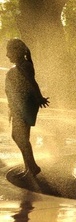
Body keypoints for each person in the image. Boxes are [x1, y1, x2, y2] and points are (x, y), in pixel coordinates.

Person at [4, 38, 49, 178]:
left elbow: (32, 82)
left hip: (24, 105)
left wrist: (39, 97)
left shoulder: (25, 66)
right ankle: (29, 168)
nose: (7, 55)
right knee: (22, 137)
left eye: (9, 51)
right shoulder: (21, 65)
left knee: (18, 136)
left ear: (17, 51)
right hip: (20, 105)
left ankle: (33, 166)